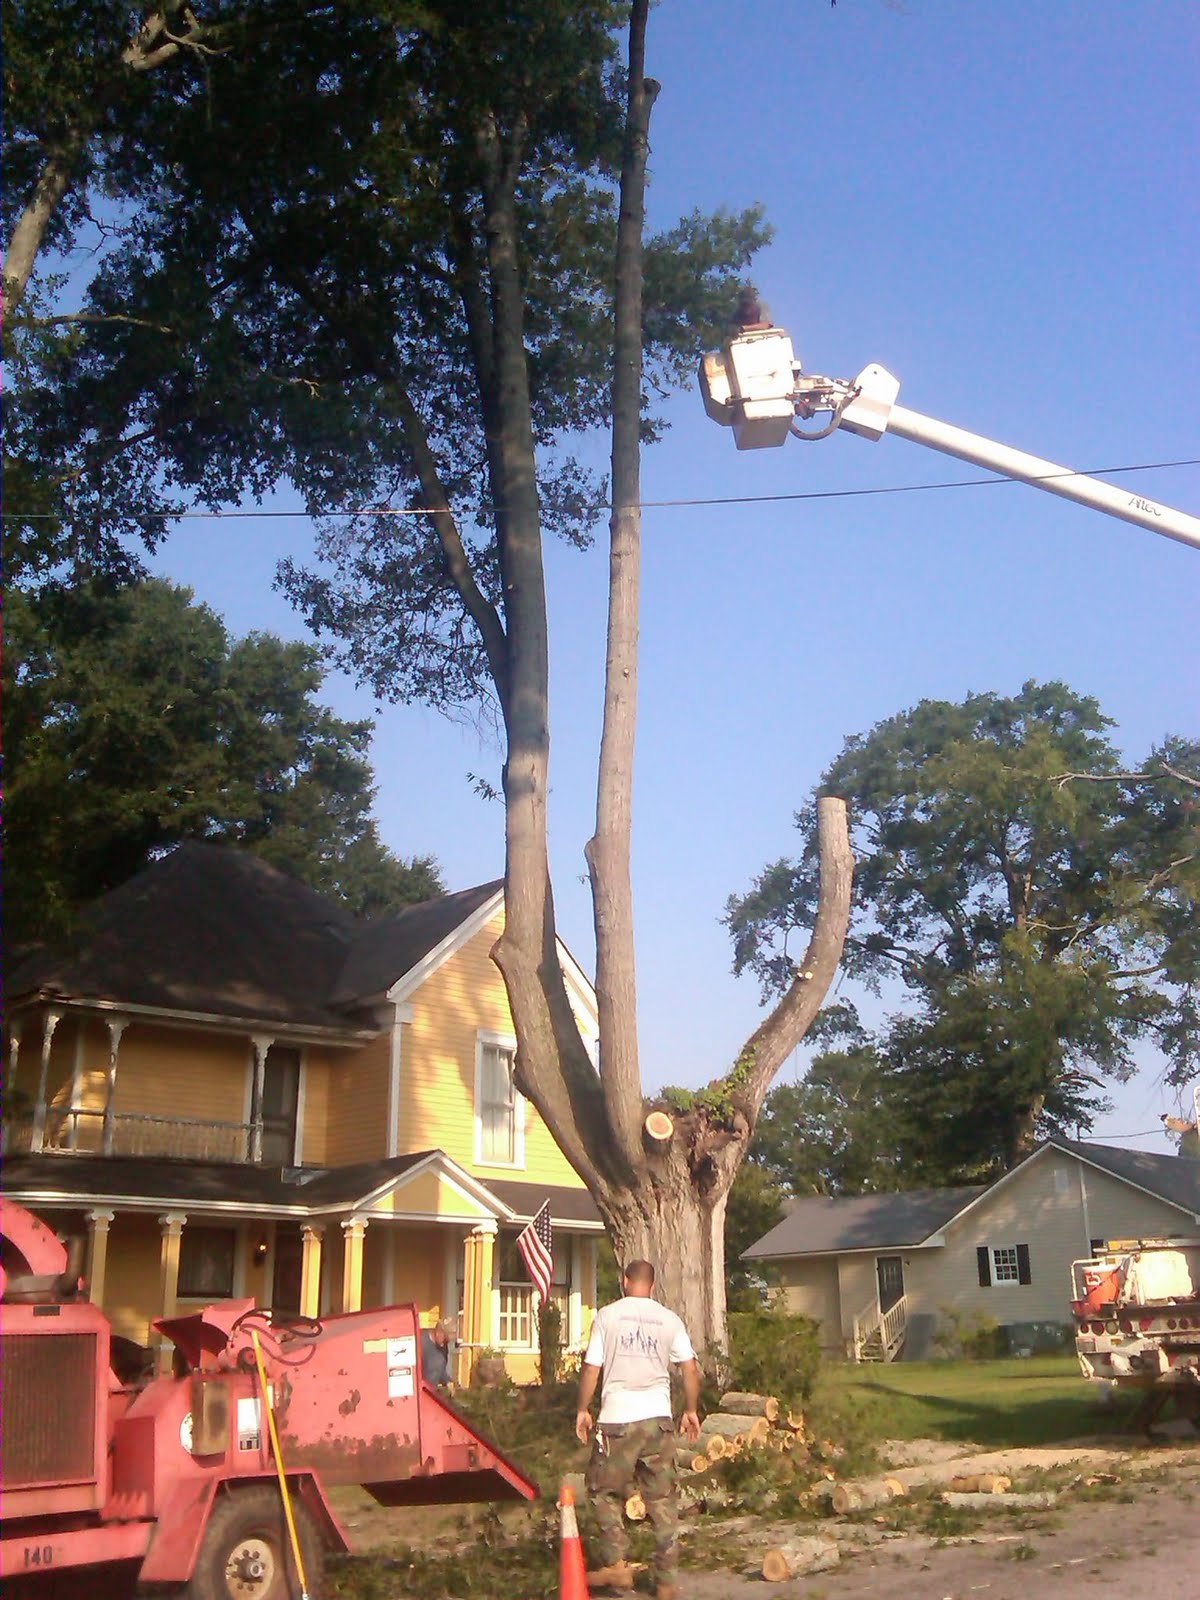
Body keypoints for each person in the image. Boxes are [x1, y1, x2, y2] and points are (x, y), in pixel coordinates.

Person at [575, 1260, 701, 1600]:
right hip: (658, 1419)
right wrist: (689, 1409)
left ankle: (617, 1564)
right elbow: (689, 1367)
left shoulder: (608, 1315)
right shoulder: (669, 1319)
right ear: (653, 1285)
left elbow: (592, 1368)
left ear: (625, 1280)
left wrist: (583, 1409)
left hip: (618, 1418)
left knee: (603, 1492)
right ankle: (666, 1582)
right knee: (662, 1500)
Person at [421, 1317, 455, 1388]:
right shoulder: (421, 1341)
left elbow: (440, 1369)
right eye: (444, 1338)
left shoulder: (443, 1346)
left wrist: (447, 1380)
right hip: (421, 1390)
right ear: (438, 1332)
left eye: (447, 1340)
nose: (445, 1343)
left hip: (432, 1391)